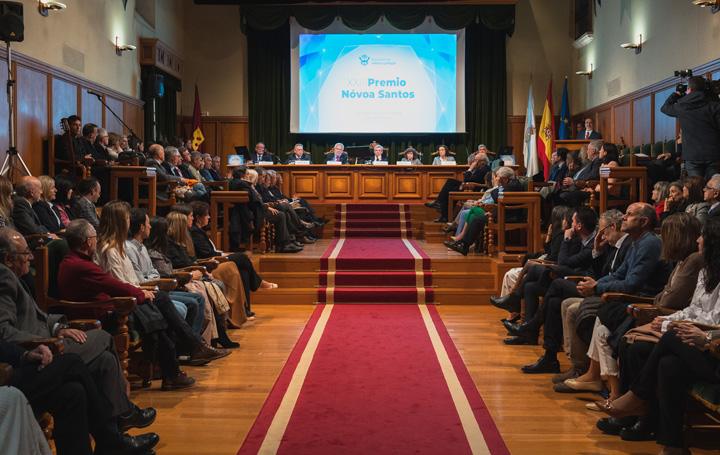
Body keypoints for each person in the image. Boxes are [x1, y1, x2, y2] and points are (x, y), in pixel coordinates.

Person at [0, 228, 157, 433]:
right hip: (39, 351)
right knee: (102, 337)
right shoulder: (4, 276)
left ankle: (116, 427)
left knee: (106, 361)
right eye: (24, 253)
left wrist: (59, 328)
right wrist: (41, 343)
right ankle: (123, 417)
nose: (30, 257)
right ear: (8, 259)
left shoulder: (17, 276)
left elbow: (40, 317)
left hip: (49, 340)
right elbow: (3, 332)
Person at [596, 218, 720, 454]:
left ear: (715, 242)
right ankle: (672, 445)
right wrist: (668, 320)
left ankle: (636, 398)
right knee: (667, 363)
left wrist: (703, 337)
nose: (698, 240)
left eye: (703, 236)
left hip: (715, 350)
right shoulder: (708, 270)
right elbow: (694, 310)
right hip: (700, 342)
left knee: (670, 339)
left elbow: (715, 321)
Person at [57, 217, 211, 390]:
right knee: (158, 305)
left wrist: (142, 295)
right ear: (87, 242)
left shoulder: (76, 261)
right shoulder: (81, 266)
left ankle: (179, 363)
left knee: (157, 309)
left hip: (109, 308)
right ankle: (186, 355)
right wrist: (141, 294)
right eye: (95, 237)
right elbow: (114, 285)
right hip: (102, 317)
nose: (97, 240)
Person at [1, 337, 160, 455]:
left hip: (13, 365)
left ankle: (110, 440)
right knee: (73, 363)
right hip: (5, 375)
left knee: (73, 391)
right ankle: (109, 440)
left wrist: (26, 355)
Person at [189, 201, 278, 319]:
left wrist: (222, 253)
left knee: (244, 272)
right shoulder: (195, 231)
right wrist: (222, 254)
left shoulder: (198, 230)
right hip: (209, 263)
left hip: (215, 257)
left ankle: (245, 311)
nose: (209, 217)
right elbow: (208, 253)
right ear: (198, 218)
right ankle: (259, 283)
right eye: (207, 215)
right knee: (242, 257)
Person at [126, 208, 205, 334]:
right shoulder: (130, 249)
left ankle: (191, 345)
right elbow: (141, 280)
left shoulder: (142, 247)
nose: (150, 227)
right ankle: (187, 346)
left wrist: (153, 278)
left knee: (198, 298)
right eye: (147, 224)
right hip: (148, 292)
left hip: (155, 287)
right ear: (142, 227)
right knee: (190, 304)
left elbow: (154, 272)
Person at [444, 166, 522, 256]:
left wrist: (496, 186)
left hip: (508, 216)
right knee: (475, 218)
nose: (499, 182)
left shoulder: (512, 186)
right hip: (503, 212)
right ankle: (463, 244)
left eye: (500, 180)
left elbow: (498, 199)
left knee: (477, 219)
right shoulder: (512, 184)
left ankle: (464, 244)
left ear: (506, 179)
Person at [660, 75, 720, 180]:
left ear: (689, 89)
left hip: (692, 155)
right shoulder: (714, 106)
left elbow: (665, 108)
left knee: (694, 189)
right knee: (714, 189)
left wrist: (676, 94)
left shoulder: (681, 106)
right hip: (713, 154)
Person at [425, 153, 490, 223]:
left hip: (473, 189)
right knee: (450, 182)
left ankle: (443, 213)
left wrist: (470, 169)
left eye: (476, 160)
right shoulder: (481, 168)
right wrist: (463, 184)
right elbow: (469, 180)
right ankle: (439, 205)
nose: (474, 162)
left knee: (450, 191)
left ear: (482, 161)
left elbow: (467, 180)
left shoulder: (482, 170)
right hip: (469, 186)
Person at [552, 140, 603, 206]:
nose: (587, 152)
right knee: (554, 195)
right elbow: (580, 174)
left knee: (563, 196)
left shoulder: (598, 161)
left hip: (582, 186)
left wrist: (574, 182)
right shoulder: (588, 163)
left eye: (588, 149)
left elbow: (592, 176)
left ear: (593, 151)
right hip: (575, 185)